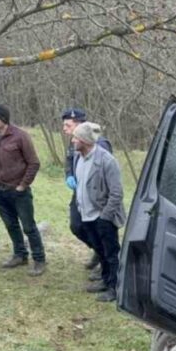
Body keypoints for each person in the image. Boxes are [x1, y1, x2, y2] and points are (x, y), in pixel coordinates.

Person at [0, 104, 46, 276]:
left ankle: (39, 259)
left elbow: (34, 163)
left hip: (18, 191)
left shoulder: (20, 136)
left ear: (4, 119)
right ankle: (20, 255)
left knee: (29, 226)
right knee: (10, 225)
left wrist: (22, 185)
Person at [68, 121, 125, 302]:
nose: (72, 141)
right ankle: (105, 280)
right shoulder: (79, 157)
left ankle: (115, 289)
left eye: (75, 138)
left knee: (111, 253)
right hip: (86, 216)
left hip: (102, 218)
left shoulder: (106, 161)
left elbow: (117, 193)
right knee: (100, 252)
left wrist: (105, 217)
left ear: (84, 140)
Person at [62, 108, 112, 274]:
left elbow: (105, 170)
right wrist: (70, 175)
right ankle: (99, 252)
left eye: (67, 125)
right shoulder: (74, 142)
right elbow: (69, 160)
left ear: (79, 124)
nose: (64, 129)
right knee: (76, 226)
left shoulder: (100, 143)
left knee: (99, 229)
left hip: (95, 196)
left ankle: (106, 262)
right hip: (79, 193)